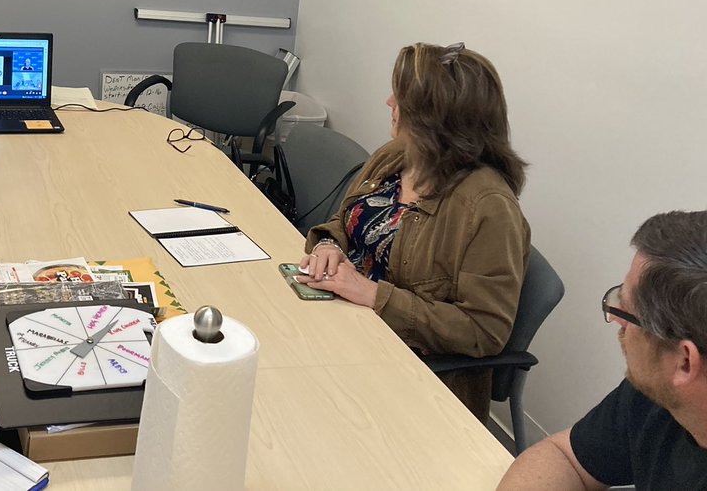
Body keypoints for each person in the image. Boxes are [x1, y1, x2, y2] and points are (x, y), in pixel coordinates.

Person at [297, 42, 530, 420]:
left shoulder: (489, 209)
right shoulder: (397, 157)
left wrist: (373, 295)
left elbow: (484, 330)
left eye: (401, 98)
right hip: (342, 326)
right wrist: (328, 244)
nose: (390, 102)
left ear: (435, 120)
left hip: (404, 373)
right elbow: (346, 220)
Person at [498, 211, 707, 490]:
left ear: (684, 361)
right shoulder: (656, 393)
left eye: (629, 312)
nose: (616, 318)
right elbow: (568, 458)